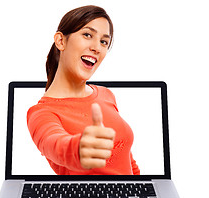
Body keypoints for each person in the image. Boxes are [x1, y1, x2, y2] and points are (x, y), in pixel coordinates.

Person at [27, 5, 140, 175]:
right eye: (87, 35)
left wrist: (143, 195)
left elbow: (127, 160)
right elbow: (55, 143)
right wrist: (79, 147)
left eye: (104, 41)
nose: (97, 47)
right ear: (61, 41)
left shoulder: (106, 94)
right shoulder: (41, 113)